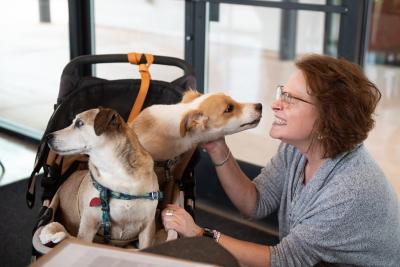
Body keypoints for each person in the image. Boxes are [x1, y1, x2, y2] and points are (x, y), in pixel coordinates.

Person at [161, 54, 400, 267]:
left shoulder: (347, 191)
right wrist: (218, 148)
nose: (275, 104)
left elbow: (284, 260)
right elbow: (255, 203)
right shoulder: (297, 149)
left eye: (291, 99)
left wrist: (200, 235)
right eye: (282, 93)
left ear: (329, 118)